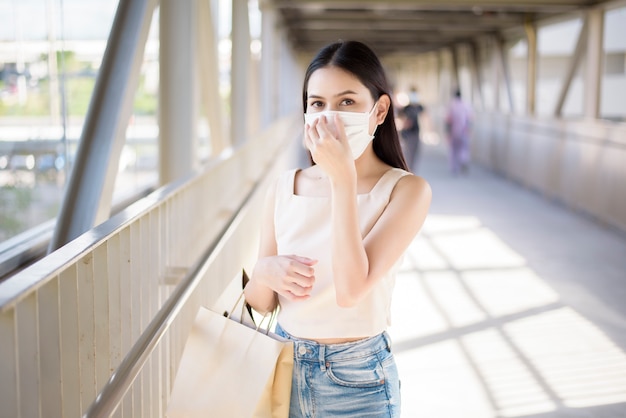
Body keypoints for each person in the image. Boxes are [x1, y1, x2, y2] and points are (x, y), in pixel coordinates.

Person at [243, 40, 432, 417]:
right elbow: (260, 303)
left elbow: (350, 292)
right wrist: (264, 270)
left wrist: (342, 180)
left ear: (379, 111)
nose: (329, 116)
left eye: (347, 102)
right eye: (317, 104)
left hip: (358, 380)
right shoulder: (284, 187)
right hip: (282, 366)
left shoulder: (406, 191)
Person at [444, 88, 473, 175]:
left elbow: (448, 120)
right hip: (464, 131)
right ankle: (463, 160)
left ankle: (454, 167)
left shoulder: (451, 105)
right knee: (463, 148)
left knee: (453, 150)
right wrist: (469, 130)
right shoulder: (466, 105)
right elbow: (470, 119)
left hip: (453, 132)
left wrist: (447, 132)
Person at [398, 86, 424, 172]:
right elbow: (400, 120)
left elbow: (425, 118)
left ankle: (411, 170)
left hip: (416, 133)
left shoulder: (420, 107)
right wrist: (405, 123)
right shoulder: (406, 108)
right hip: (407, 134)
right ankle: (408, 170)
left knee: (415, 154)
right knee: (408, 153)